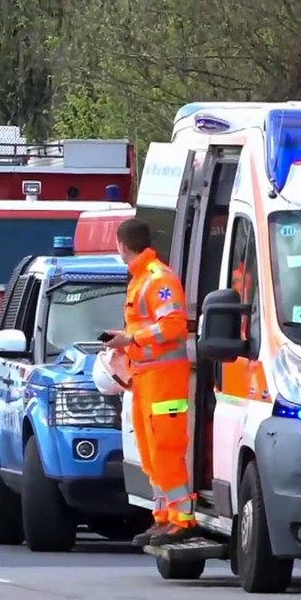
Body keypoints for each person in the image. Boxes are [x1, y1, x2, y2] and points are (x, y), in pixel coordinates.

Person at [103, 218, 195, 547]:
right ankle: (164, 518)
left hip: (165, 379)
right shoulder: (141, 279)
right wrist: (124, 344)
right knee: (150, 453)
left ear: (122, 245)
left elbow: (172, 325)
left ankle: (182, 518)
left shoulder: (158, 278)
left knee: (166, 448)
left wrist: (130, 338)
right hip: (146, 377)